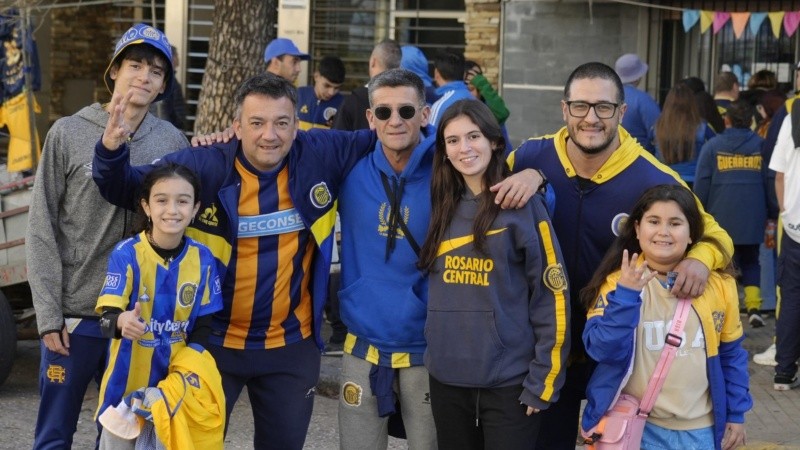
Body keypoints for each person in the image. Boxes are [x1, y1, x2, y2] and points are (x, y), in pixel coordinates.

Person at [93, 73, 378, 449]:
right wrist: (111, 151)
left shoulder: (320, 153)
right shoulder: (206, 165)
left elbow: (394, 137)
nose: (269, 135)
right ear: (236, 127)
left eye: (281, 123)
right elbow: (127, 187)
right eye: (256, 123)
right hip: (214, 345)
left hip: (291, 347)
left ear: (297, 126)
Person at [507, 61, 734, 450]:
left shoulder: (652, 176)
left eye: (603, 107)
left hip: (616, 350)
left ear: (622, 112)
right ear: (565, 109)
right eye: (580, 106)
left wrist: (699, 258)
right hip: (542, 347)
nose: (591, 118)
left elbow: (715, 235)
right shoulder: (530, 157)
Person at [335, 69, 540, 449]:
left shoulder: (449, 171)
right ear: (369, 118)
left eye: (406, 110)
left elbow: (506, 192)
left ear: (425, 115)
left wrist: (533, 176)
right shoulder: (347, 168)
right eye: (383, 112)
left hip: (429, 349)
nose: (395, 120)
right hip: (362, 342)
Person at [26, 23, 189, 449]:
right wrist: (47, 315)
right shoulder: (67, 132)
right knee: (54, 433)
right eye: (134, 65)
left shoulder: (172, 141)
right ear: (113, 71)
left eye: (156, 71)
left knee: (122, 436)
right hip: (75, 317)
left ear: (162, 87)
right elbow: (41, 226)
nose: (144, 76)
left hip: (137, 319)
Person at [418, 99, 569, 449]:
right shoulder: (439, 206)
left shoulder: (522, 205)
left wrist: (543, 382)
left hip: (509, 386)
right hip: (447, 381)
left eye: (473, 136)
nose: (464, 148)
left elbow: (552, 297)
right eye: (452, 141)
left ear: (495, 141)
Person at [580, 184, 751, 450]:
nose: (663, 232)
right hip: (636, 429)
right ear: (637, 229)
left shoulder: (720, 285)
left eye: (675, 223)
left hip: (701, 432)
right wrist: (626, 297)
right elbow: (602, 350)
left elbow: (731, 356)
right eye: (653, 221)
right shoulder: (617, 283)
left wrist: (736, 415)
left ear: (692, 233)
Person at [94, 163, 224, 446]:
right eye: (161, 200)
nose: (172, 210)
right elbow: (105, 321)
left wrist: (181, 380)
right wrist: (121, 322)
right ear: (147, 206)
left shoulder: (203, 259)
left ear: (195, 209)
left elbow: (204, 328)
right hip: (123, 391)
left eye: (183, 201)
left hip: (175, 392)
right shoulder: (126, 254)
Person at [694, 100, 768, 329]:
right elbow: (769, 181)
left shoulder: (712, 146)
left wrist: (698, 214)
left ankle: (730, 307)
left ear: (726, 120)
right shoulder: (762, 146)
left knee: (726, 264)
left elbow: (701, 184)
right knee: (752, 260)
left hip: (721, 217)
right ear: (751, 121)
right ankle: (754, 308)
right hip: (753, 216)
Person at [769, 95, 800, 390]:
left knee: (791, 297)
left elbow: (779, 175)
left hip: (795, 226)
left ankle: (784, 370)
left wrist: (786, 211)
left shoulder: (793, 116)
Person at [654, 83, 716, 187]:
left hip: (664, 182)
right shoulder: (702, 127)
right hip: (695, 182)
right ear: (692, 104)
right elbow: (716, 149)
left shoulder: (656, 127)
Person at [333, 39, 402, 131]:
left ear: (373, 61)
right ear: (399, 67)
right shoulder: (407, 101)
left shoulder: (352, 102)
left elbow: (337, 140)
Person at [614, 53, 660, 154]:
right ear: (638, 77)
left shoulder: (605, 97)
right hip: (639, 159)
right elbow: (659, 133)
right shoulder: (644, 100)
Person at [297, 55, 346, 129]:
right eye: (327, 85)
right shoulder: (298, 95)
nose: (331, 92)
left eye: (337, 88)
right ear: (316, 76)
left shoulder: (343, 105)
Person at [429, 48, 473, 127]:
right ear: (464, 75)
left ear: (436, 73)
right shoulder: (474, 99)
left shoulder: (440, 104)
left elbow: (430, 136)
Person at [149, 44, 187, 132]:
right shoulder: (167, 81)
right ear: (171, 58)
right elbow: (162, 108)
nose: (178, 59)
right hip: (168, 128)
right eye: (177, 55)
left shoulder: (171, 79)